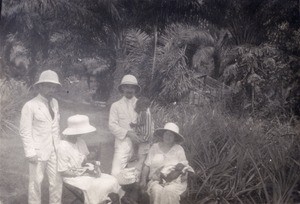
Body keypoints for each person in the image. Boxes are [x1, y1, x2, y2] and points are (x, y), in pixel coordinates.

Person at [57, 115, 122, 204]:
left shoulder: (80, 141)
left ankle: (108, 201)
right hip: (72, 177)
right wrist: (85, 173)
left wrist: (94, 167)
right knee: (99, 186)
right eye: (80, 132)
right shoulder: (62, 146)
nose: (82, 134)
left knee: (112, 180)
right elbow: (63, 171)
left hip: (84, 173)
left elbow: (84, 161)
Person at [19, 70, 62, 204]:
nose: (51, 89)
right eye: (48, 86)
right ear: (40, 86)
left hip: (55, 149)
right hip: (38, 151)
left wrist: (59, 147)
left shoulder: (54, 103)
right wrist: (30, 152)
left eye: (54, 86)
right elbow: (24, 131)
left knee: (56, 182)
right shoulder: (30, 105)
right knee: (36, 183)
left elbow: (55, 127)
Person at [140, 123, 194, 204]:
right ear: (163, 134)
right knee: (156, 190)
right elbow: (147, 166)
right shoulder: (154, 147)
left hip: (174, 181)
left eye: (171, 135)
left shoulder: (179, 149)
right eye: (166, 134)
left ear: (175, 137)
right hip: (156, 180)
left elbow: (184, 166)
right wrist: (143, 179)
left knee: (169, 191)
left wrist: (184, 176)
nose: (168, 137)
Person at [109, 74, 144, 177]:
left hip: (139, 143)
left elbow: (148, 124)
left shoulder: (142, 104)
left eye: (132, 87)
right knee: (116, 173)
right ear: (122, 88)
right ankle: (117, 193)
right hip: (122, 143)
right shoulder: (115, 106)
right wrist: (128, 133)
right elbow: (112, 125)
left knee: (135, 175)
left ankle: (131, 192)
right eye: (127, 87)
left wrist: (140, 136)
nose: (129, 90)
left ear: (135, 89)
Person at [129, 96, 154, 170]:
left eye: (145, 106)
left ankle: (135, 155)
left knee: (134, 140)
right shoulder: (146, 112)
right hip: (147, 134)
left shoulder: (144, 113)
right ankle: (136, 155)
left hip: (144, 134)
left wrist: (134, 124)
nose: (145, 108)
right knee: (142, 150)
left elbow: (142, 123)